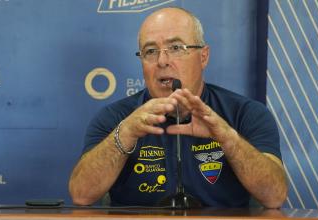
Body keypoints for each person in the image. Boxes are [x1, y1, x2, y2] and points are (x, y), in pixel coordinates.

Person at [69, 7, 287, 208]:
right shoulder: (115, 117)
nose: (162, 61)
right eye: (151, 51)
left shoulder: (246, 113)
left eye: (175, 48)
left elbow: (275, 195)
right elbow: (81, 194)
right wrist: (124, 134)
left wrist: (228, 138)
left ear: (203, 56)